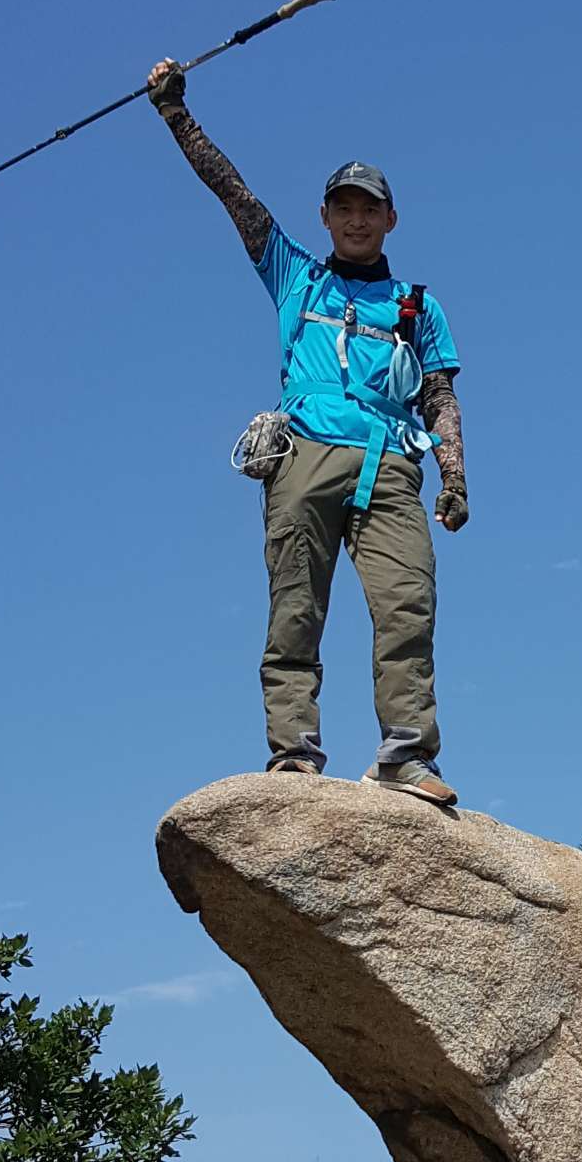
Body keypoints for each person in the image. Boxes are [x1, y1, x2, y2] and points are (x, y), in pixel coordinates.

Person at [146, 55, 468, 807]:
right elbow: (235, 196)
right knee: (295, 607)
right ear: (325, 217)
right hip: (305, 456)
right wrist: (176, 115)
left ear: (390, 218)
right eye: (343, 207)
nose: (356, 219)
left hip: (390, 465)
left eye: (370, 208)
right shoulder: (297, 276)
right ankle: (293, 752)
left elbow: (441, 396)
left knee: (407, 608)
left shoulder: (418, 305)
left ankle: (406, 757)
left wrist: (454, 478)